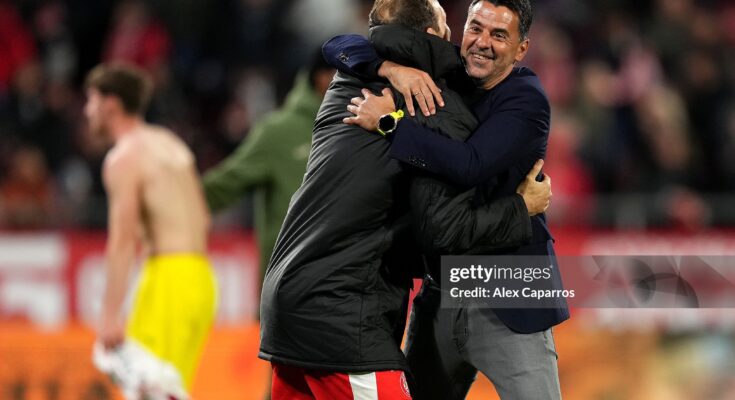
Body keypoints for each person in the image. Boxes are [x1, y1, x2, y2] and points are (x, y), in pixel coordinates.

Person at [259, 0, 552, 399]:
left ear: (521, 48)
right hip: (420, 293)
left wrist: (389, 122)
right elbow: (339, 44)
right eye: (474, 27)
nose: (481, 42)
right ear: (445, 34)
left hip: (504, 287)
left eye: (499, 34)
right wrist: (391, 70)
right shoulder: (429, 87)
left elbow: (469, 164)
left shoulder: (523, 96)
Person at [85, 63, 216, 399]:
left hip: (167, 279)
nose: (86, 111)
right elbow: (203, 217)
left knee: (152, 392)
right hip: (200, 279)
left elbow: (122, 239)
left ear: (110, 105)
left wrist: (110, 314)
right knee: (168, 388)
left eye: (91, 100)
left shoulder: (124, 158)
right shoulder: (170, 143)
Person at [203, 50, 336, 279]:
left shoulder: (366, 127)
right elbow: (224, 185)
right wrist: (172, 200)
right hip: (287, 283)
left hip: (344, 283)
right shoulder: (279, 132)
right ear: (322, 77)